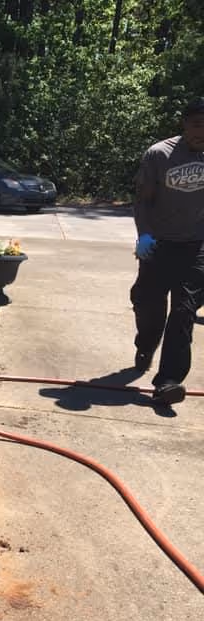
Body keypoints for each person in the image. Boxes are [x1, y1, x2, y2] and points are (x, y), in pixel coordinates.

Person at [130, 96, 204, 405]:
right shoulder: (160, 154)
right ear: (184, 123)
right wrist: (145, 235)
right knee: (148, 305)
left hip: (196, 247)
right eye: (197, 125)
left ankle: (169, 381)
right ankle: (146, 344)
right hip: (159, 245)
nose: (202, 132)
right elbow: (143, 200)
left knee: (184, 311)